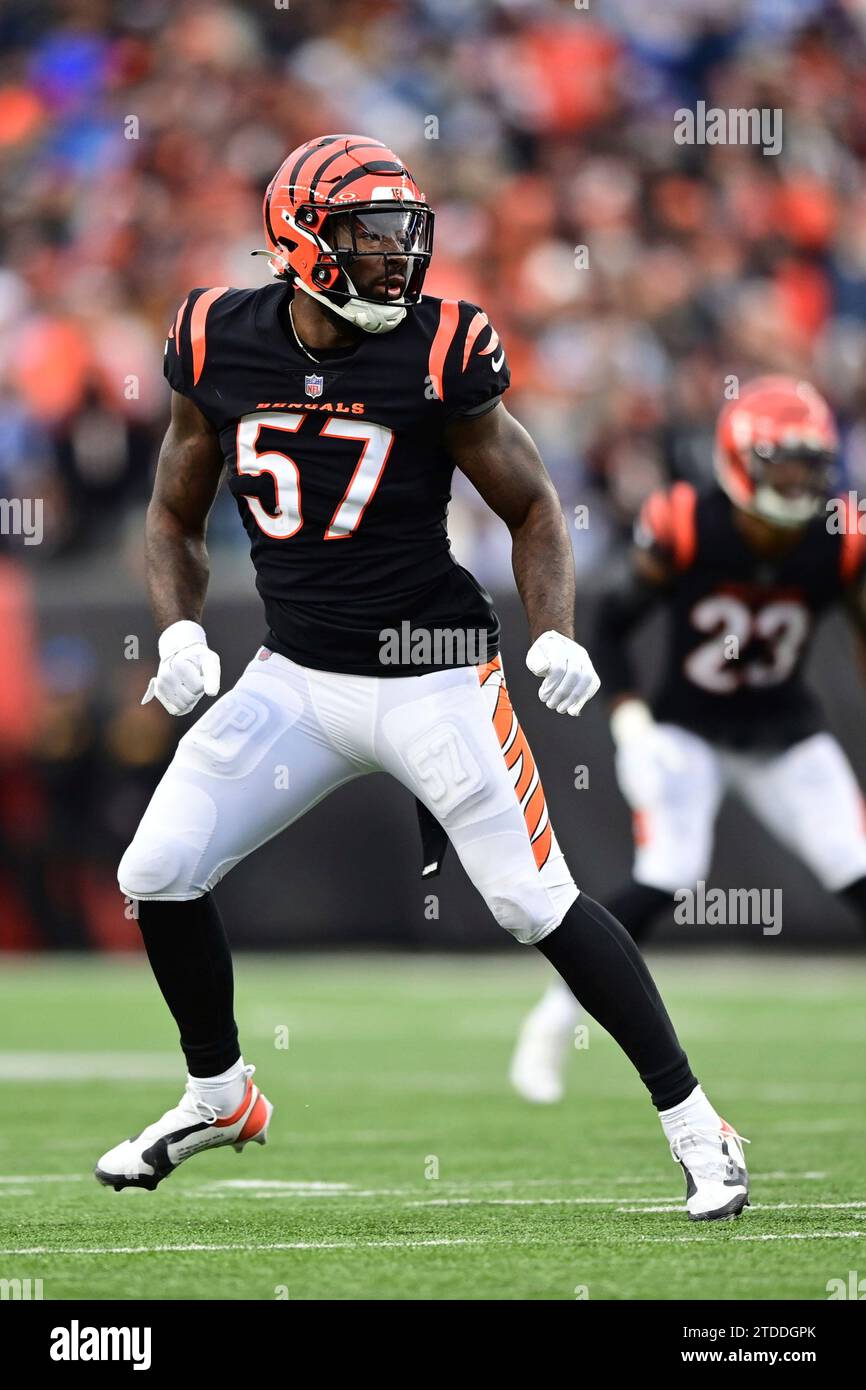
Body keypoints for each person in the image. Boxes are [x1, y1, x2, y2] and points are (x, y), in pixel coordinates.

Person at [96, 135, 748, 1221]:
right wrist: (176, 632)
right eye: (367, 237)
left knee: (531, 899)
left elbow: (532, 504)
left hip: (434, 675)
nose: (397, 259)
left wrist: (551, 631)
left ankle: (696, 1123)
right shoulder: (216, 337)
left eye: (404, 236)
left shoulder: (442, 348)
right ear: (300, 243)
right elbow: (171, 511)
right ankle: (218, 1095)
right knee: (157, 867)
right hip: (296, 675)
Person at [511, 376, 866, 1105]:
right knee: (668, 871)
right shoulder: (687, 522)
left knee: (856, 867)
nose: (798, 480)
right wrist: (630, 715)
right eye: (783, 463)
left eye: (809, 464)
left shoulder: (843, 538)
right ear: (742, 460)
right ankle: (555, 1014)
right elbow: (611, 624)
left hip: (783, 732)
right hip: (686, 729)